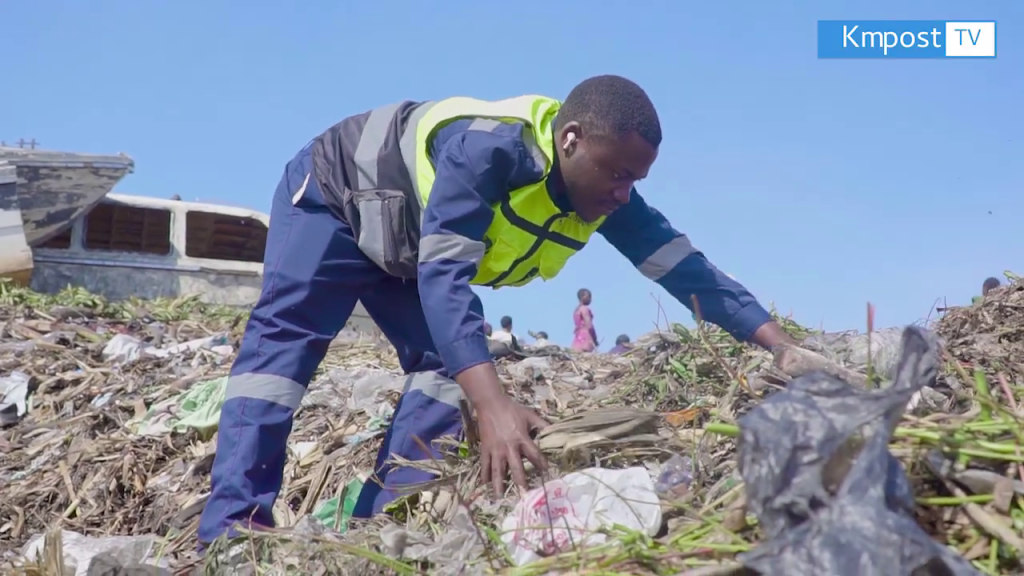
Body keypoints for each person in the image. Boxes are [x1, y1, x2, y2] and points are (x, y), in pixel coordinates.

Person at [197, 74, 798, 545]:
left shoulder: (609, 197)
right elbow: (445, 279)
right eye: (616, 174)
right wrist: (494, 406)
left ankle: (381, 519)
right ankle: (231, 530)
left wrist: (780, 345)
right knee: (283, 354)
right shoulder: (488, 152)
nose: (623, 193)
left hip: (405, 240)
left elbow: (685, 267)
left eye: (633, 180)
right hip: (336, 197)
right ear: (571, 140)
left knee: (442, 364)